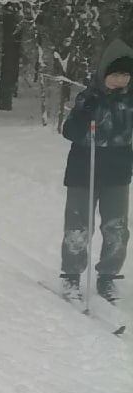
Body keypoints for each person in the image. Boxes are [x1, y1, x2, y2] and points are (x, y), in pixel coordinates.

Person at [59, 38, 133, 302]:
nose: (120, 80)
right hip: (84, 169)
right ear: (104, 73)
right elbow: (69, 131)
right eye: (115, 74)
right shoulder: (89, 96)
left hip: (117, 172)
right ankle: (71, 276)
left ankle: (107, 277)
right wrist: (84, 114)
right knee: (78, 226)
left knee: (116, 228)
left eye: (126, 75)